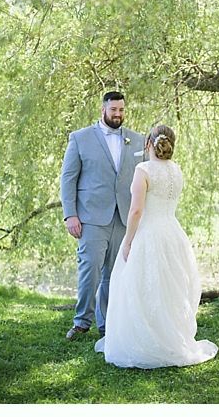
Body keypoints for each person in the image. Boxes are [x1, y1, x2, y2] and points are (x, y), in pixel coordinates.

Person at [95, 124, 217, 368]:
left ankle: (148, 341)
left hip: (149, 234)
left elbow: (137, 210)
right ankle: (169, 337)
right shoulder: (177, 170)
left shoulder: (144, 169)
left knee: (141, 286)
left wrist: (128, 241)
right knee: (169, 288)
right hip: (173, 234)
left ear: (149, 143)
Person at [60, 91, 145, 340]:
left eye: (121, 110)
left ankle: (107, 325)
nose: (117, 114)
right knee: (90, 270)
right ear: (103, 110)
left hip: (124, 216)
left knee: (114, 273)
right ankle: (81, 322)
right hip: (91, 216)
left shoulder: (137, 140)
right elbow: (68, 179)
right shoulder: (80, 138)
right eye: (113, 110)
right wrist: (70, 215)